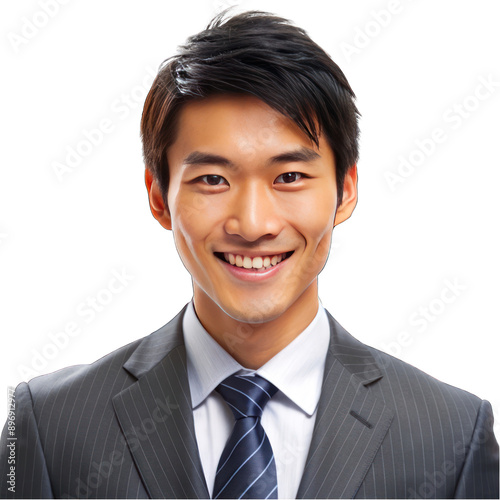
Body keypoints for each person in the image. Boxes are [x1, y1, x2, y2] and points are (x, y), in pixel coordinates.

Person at [1, 10, 498, 500]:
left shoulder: (452, 435)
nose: (254, 225)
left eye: (289, 177)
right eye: (213, 180)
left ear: (346, 191)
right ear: (159, 197)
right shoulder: (47, 425)